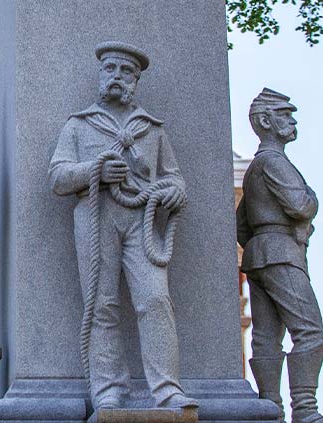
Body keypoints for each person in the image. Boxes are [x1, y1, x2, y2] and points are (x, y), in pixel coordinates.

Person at [49, 41, 196, 411]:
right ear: (101, 75)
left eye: (125, 71)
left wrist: (173, 193)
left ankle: (166, 388)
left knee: (155, 299)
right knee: (102, 305)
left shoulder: (151, 129)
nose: (116, 76)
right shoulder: (79, 125)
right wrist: (93, 170)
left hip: (141, 219)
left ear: (136, 80)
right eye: (110, 69)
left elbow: (174, 178)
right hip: (96, 216)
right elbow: (58, 177)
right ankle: (108, 390)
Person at [237, 88, 323, 423]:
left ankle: (270, 407)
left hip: (257, 254)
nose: (292, 121)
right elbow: (300, 204)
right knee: (309, 330)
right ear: (266, 121)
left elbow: (241, 226)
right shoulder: (274, 162)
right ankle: (305, 409)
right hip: (281, 251)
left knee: (266, 335)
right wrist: (312, 196)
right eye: (285, 114)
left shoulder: (253, 169)